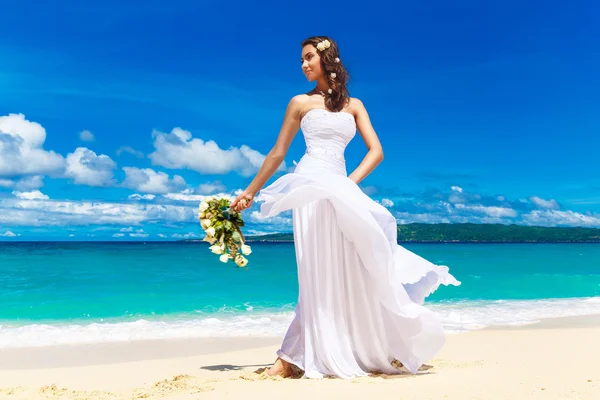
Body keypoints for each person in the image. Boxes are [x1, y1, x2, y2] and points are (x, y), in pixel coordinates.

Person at [230, 36, 460, 379]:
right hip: (308, 188)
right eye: (301, 60)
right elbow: (278, 154)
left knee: (354, 268)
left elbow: (376, 152)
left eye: (309, 58)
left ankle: (362, 346)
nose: (303, 64)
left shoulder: (355, 106)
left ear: (327, 59)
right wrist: (249, 193)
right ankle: (290, 357)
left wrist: (347, 186)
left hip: (340, 187)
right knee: (315, 274)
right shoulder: (298, 103)